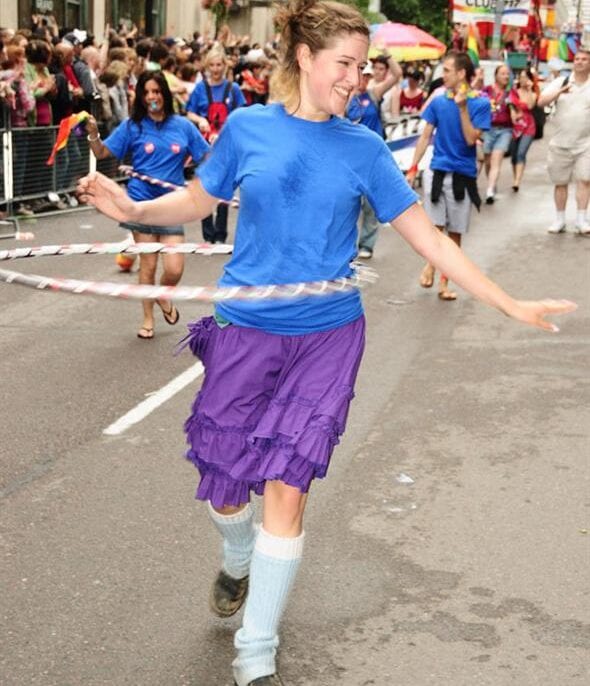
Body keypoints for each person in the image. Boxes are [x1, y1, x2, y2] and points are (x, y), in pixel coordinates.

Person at [77, 2, 575, 683]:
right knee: (226, 484)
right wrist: (134, 209)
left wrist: (509, 302)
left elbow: (429, 239)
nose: (355, 78)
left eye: (362, 66)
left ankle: (256, 651)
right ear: (304, 58)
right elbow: (198, 201)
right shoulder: (248, 129)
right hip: (247, 328)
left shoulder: (364, 147)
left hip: (327, 334)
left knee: (288, 487)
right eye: (344, 63)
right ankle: (238, 555)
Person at [85, 70, 209, 339]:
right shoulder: (133, 126)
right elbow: (102, 152)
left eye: (156, 91)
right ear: (141, 97)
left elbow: (207, 157)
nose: (152, 97)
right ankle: (148, 318)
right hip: (140, 203)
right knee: (148, 265)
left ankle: (163, 294)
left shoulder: (183, 126)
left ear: (164, 94)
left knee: (174, 269)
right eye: (147, 92)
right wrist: (93, 134)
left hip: (172, 205)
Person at [407, 51, 491, 301]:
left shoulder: (481, 104)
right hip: (437, 171)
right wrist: (413, 168)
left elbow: (471, 139)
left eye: (446, 70)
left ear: (461, 73)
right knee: (435, 227)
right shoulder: (438, 101)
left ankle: (444, 282)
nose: (442, 75)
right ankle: (431, 265)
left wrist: (463, 108)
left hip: (462, 176)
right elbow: (425, 136)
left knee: (454, 233)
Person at [186, 47, 246, 244]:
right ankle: (207, 232)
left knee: (224, 186)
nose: (215, 69)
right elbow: (190, 112)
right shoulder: (200, 88)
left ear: (224, 66)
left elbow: (241, 114)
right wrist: (200, 120)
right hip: (204, 143)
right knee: (204, 186)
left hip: (226, 143)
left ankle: (220, 233)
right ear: (207, 67)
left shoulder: (233, 89)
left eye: (219, 65)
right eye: (211, 65)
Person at [347, 56, 401, 258]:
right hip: (351, 157)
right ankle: (347, 246)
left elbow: (397, 75)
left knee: (370, 204)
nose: (364, 78)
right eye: (361, 74)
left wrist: (388, 56)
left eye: (367, 75)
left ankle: (367, 244)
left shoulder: (373, 94)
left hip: (373, 158)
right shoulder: (345, 98)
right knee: (350, 203)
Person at [537, 48, 590, 235]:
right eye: (577, 59)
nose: (579, 62)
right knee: (560, 182)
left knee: (585, 180)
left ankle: (581, 220)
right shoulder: (561, 82)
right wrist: (559, 92)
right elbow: (541, 102)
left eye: (584, 59)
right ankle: (559, 219)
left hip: (586, 144)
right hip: (560, 142)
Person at [482, 63, 513, 204]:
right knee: (488, 161)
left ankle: (490, 190)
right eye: (503, 73)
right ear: (496, 76)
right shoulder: (487, 90)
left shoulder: (511, 93)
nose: (506, 76)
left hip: (505, 130)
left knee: (496, 159)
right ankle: (492, 183)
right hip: (488, 129)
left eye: (507, 74)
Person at [508, 68, 538, 192]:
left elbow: (530, 106)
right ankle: (515, 177)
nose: (523, 79)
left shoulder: (534, 94)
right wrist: (513, 113)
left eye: (525, 77)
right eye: (521, 77)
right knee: (514, 156)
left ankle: (517, 181)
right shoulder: (514, 92)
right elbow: (510, 105)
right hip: (515, 126)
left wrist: (530, 89)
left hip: (528, 126)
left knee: (521, 153)